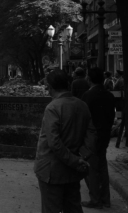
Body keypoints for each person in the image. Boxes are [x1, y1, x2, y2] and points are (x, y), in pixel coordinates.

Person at [34, 69, 96, 213]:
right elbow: (92, 133)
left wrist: (75, 160)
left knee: (51, 208)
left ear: (50, 87)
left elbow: (54, 143)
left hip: (52, 171)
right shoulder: (82, 105)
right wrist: (82, 157)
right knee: (73, 207)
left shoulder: (53, 107)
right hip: (73, 171)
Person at [81, 68, 115, 209]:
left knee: (91, 169)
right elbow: (111, 117)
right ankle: (105, 199)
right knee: (102, 167)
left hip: (92, 137)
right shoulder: (109, 96)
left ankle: (95, 199)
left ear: (89, 79)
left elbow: (83, 118)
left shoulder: (87, 96)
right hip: (105, 135)